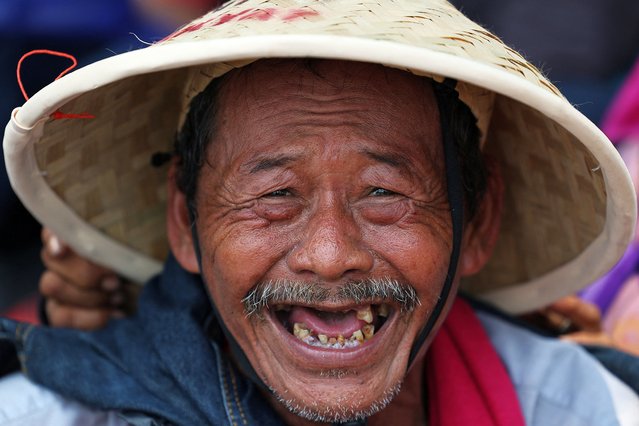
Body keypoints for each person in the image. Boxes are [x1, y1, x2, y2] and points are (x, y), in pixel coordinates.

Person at [1, 0, 638, 424]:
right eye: (275, 195)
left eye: (385, 194)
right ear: (184, 221)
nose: (330, 255)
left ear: (476, 220)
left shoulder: (580, 408)